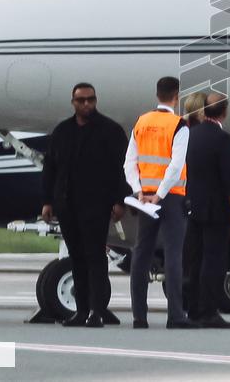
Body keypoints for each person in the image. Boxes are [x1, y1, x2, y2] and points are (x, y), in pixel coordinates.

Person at [41, 83, 129, 328]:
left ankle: (97, 311)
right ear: (73, 103)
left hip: (97, 204)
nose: (86, 104)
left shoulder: (110, 131)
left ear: (96, 100)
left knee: (95, 258)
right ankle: (80, 311)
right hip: (67, 204)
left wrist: (120, 200)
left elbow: (121, 169)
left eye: (90, 99)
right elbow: (51, 168)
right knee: (77, 258)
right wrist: (47, 201)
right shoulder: (62, 131)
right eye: (81, 100)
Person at [125, 76, 192, 329]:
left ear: (157, 94)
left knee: (141, 253)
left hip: (145, 199)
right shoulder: (179, 125)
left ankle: (139, 317)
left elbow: (129, 163)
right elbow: (176, 166)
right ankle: (175, 315)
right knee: (174, 254)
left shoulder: (141, 122)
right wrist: (161, 194)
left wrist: (139, 191)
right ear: (176, 96)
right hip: (170, 197)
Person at [184, 93, 230, 328]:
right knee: (214, 261)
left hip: (193, 207)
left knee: (195, 260)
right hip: (216, 210)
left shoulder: (191, 135)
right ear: (224, 112)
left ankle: (194, 310)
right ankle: (209, 311)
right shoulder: (223, 139)